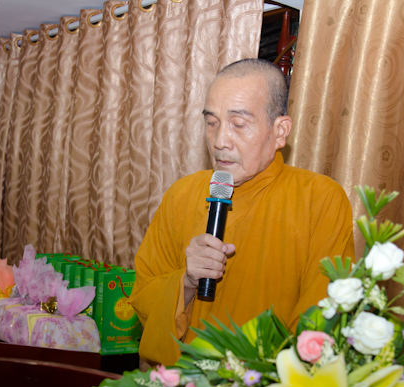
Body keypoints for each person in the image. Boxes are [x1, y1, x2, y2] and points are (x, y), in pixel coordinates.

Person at [129, 59, 355, 366]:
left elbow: (322, 315)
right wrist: (186, 281)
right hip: (181, 383)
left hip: (266, 386)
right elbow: (144, 297)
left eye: (238, 124)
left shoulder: (319, 199)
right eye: (212, 123)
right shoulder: (181, 195)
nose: (220, 141)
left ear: (280, 131)